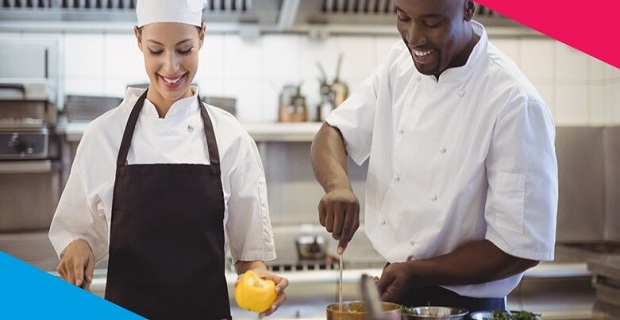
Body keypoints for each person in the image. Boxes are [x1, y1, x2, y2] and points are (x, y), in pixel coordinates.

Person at [310, 0, 558, 312]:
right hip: (399, 292)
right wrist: (338, 187)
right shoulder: (397, 67)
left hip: (467, 309)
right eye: (403, 17)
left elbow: (520, 247)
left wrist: (419, 273)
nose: (413, 37)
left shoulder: (513, 101)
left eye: (432, 22)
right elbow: (332, 132)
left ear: (468, 9)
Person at [48, 0, 288, 318]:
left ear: (202, 36)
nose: (171, 67)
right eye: (156, 51)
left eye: (184, 49)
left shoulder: (232, 138)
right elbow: (75, 232)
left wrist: (259, 280)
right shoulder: (103, 136)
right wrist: (77, 248)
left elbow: (249, 259)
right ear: (138, 39)